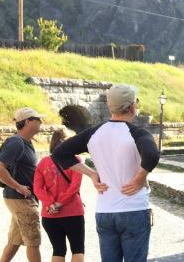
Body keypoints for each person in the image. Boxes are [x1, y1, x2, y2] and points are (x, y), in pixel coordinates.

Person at [53, 84, 158, 262]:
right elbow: (152, 155)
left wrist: (92, 174)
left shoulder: (93, 133)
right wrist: (140, 177)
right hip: (133, 208)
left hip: (105, 210)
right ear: (132, 106)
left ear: (110, 107)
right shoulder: (137, 133)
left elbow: (59, 154)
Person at [0, 107, 44, 262]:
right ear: (27, 121)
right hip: (20, 198)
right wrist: (18, 186)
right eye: (38, 119)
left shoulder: (25, 142)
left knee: (15, 241)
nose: (41, 122)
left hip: (20, 198)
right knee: (33, 240)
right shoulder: (16, 142)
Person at [33, 130, 85, 262]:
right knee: (77, 249)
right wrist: (60, 202)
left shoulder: (43, 162)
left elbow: (37, 188)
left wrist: (50, 203)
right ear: (65, 142)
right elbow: (74, 187)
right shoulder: (76, 161)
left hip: (50, 214)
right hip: (72, 212)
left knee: (58, 250)